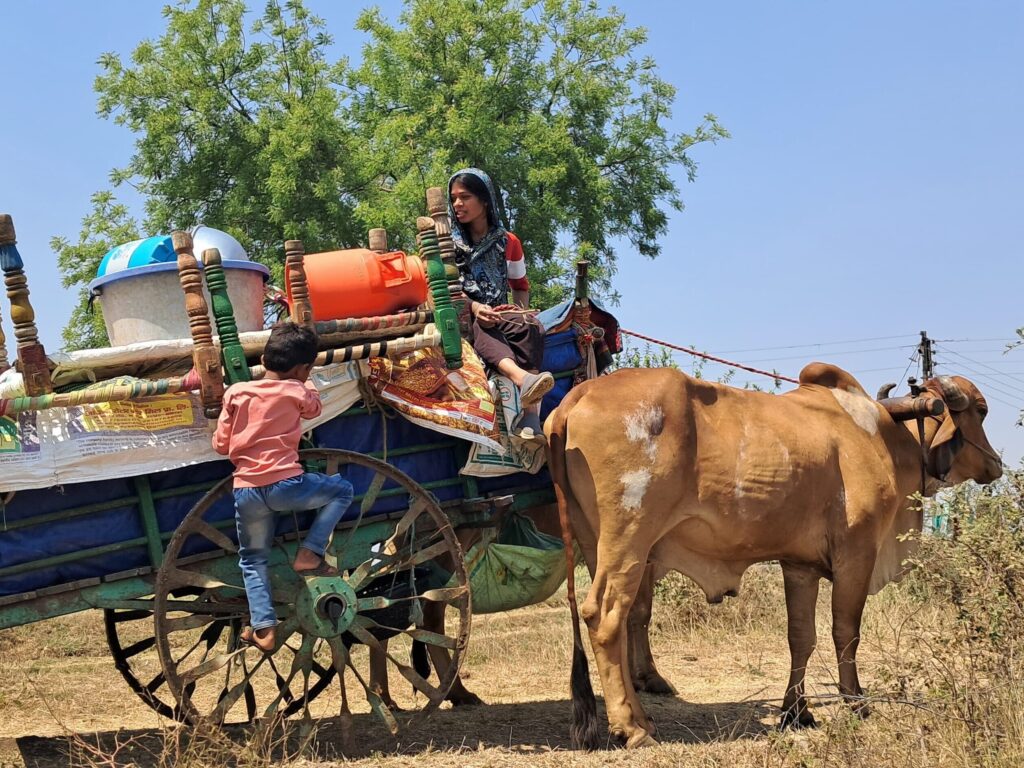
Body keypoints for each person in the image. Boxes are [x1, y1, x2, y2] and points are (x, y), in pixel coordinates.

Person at [212, 321, 354, 653]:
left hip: (247, 491)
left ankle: (264, 629)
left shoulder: (236, 393)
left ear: (264, 358)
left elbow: (220, 445)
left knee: (252, 560)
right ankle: (310, 552)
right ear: (303, 369)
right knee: (342, 490)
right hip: (285, 486)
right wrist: (308, 383)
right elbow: (315, 408)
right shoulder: (296, 391)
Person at [448, 168, 554, 439]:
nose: (457, 204)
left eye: (465, 197)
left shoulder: (509, 242)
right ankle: (523, 379)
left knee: (531, 326)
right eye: (454, 198)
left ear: (485, 201)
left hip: (499, 313)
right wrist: (476, 308)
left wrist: (519, 312)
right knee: (482, 326)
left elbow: (520, 286)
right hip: (462, 316)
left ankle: (531, 416)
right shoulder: (446, 245)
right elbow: (448, 291)